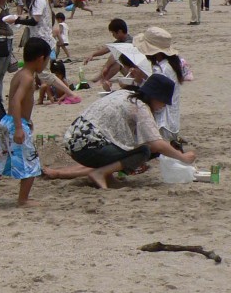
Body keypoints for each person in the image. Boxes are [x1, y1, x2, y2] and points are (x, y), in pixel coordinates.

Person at [43, 75, 197, 188]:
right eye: (163, 102)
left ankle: (101, 175)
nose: (163, 106)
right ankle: (101, 174)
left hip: (74, 141)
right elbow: (156, 144)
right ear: (155, 97)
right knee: (144, 151)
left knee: (118, 148)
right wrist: (182, 157)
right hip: (89, 146)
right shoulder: (140, 106)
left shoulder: (124, 94)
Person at [0, 37, 51, 208]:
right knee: (31, 160)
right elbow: (16, 101)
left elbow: (19, 102)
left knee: (0, 160)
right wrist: (19, 127)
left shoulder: (20, 74)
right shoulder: (27, 78)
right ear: (41, 58)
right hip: (14, 125)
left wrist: (25, 120)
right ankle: (23, 199)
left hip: (7, 122)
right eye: (46, 60)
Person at [129, 26, 184, 145]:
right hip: (172, 123)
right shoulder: (173, 64)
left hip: (162, 125)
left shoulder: (161, 69)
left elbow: (153, 98)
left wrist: (139, 81)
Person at [83, 18, 130, 91]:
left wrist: (106, 67)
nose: (113, 35)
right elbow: (107, 49)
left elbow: (116, 55)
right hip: (129, 70)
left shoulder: (129, 42)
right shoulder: (121, 41)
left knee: (118, 61)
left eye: (113, 33)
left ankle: (102, 80)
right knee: (116, 59)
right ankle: (99, 78)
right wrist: (93, 54)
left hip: (133, 72)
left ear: (119, 32)